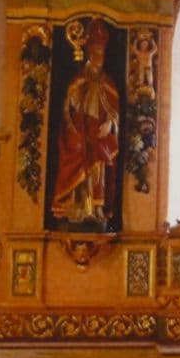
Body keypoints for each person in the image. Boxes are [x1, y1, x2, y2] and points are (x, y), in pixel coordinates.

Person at [52, 19, 120, 226]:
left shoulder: (107, 82)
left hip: (99, 132)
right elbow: (70, 105)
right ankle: (79, 208)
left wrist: (110, 124)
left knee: (98, 171)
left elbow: (114, 111)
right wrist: (75, 98)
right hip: (82, 128)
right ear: (89, 54)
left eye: (101, 53)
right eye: (95, 53)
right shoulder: (79, 79)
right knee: (81, 166)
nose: (99, 57)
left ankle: (97, 208)